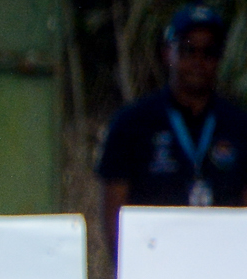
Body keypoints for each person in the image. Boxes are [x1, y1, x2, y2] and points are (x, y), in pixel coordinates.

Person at [98, 4, 247, 256]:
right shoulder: (131, 123)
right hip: (155, 261)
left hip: (223, 261)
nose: (198, 61)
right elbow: (113, 215)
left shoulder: (239, 125)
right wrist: (129, 268)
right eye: (188, 49)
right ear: (168, 52)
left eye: (209, 52)